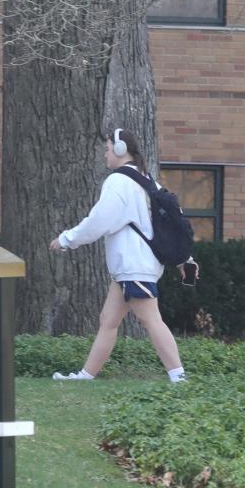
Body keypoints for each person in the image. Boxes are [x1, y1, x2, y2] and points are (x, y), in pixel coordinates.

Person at [48, 128, 186, 383]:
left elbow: (100, 221)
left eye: (108, 148)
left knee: (150, 320)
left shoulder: (119, 182)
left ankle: (179, 377)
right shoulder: (147, 180)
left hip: (133, 265)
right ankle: (86, 375)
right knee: (108, 320)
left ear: (121, 150)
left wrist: (67, 239)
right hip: (133, 266)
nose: (105, 154)